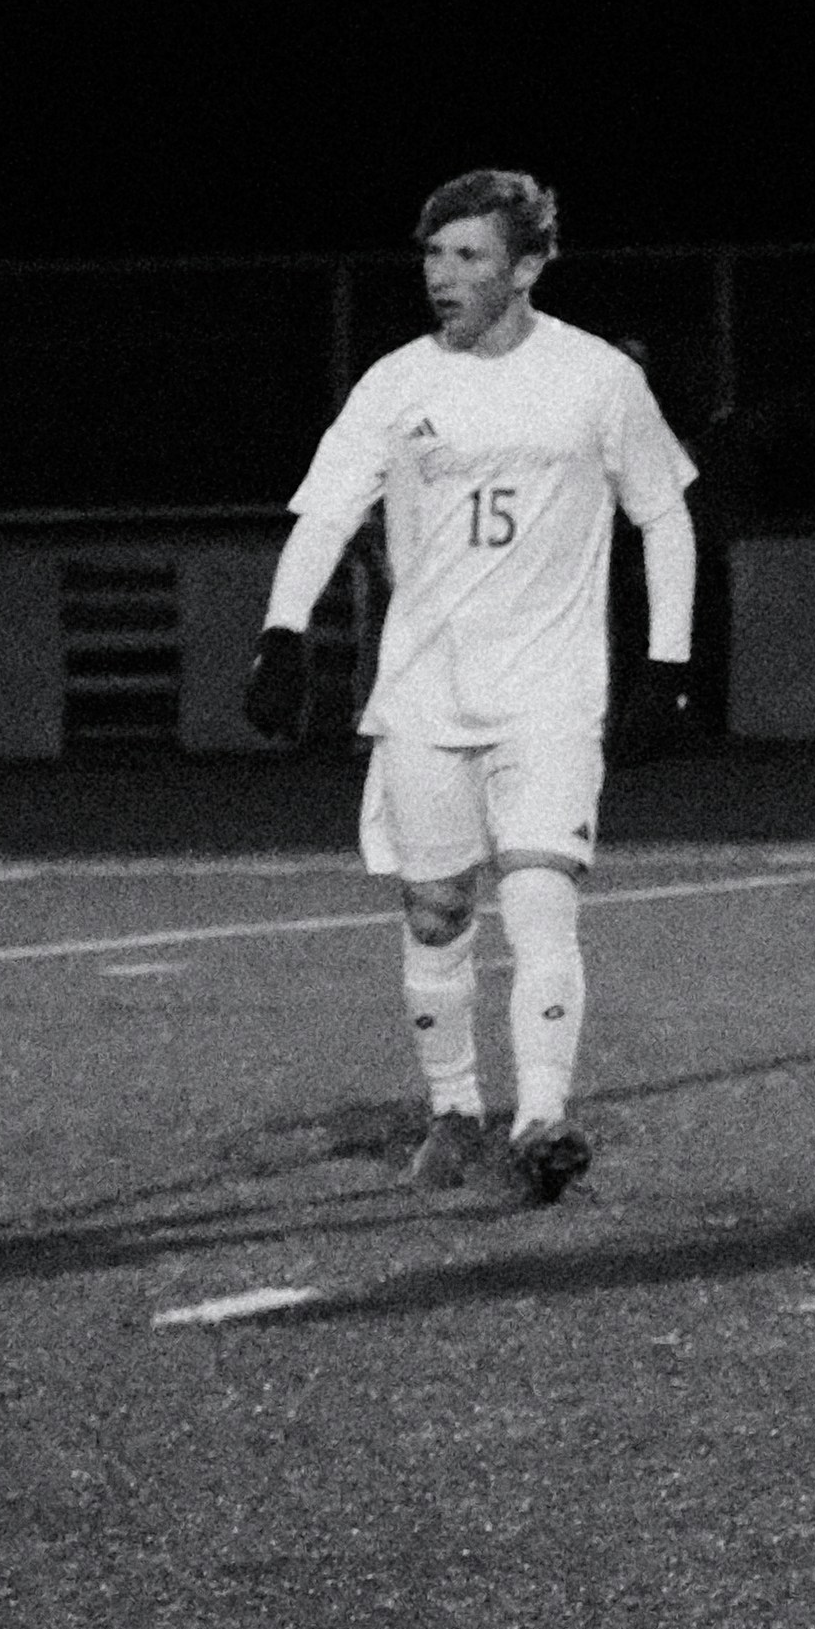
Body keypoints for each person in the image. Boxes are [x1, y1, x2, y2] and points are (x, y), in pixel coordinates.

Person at [248, 171, 705, 1204]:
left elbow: (664, 515)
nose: (441, 277)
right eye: (432, 256)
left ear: (529, 266)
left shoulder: (596, 378)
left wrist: (668, 662)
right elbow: (324, 513)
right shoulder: (396, 381)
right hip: (424, 690)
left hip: (550, 688)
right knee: (439, 909)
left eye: (467, 258)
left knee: (542, 895)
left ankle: (543, 1117)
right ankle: (453, 1109)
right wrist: (281, 631)